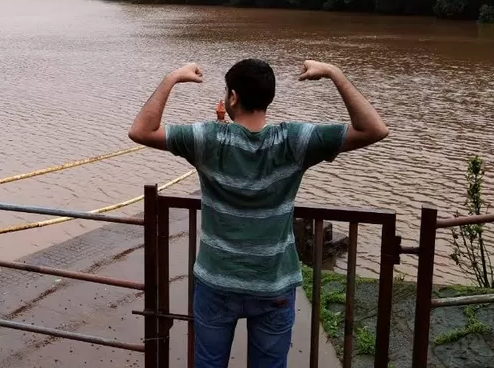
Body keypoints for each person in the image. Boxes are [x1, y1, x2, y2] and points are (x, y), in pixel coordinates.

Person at [128, 59, 388, 368]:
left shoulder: (208, 139)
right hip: (273, 285)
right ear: (269, 98)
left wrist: (172, 78)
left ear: (233, 98)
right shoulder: (294, 140)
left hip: (217, 281)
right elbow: (374, 129)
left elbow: (141, 131)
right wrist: (335, 73)